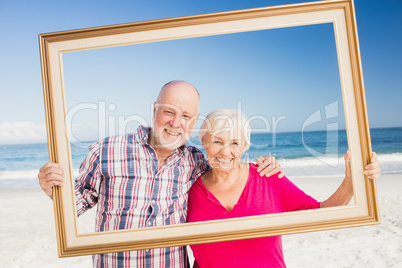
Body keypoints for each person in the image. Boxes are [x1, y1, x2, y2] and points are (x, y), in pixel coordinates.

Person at [37, 81, 284, 268]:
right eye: (169, 112)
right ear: (155, 109)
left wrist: (264, 166)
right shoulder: (107, 150)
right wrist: (54, 189)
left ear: (194, 120)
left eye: (186, 116)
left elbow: (228, 166)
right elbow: (79, 202)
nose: (176, 123)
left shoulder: (196, 161)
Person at [186, 109, 381, 268]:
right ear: (204, 141)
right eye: (217, 141)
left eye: (235, 143)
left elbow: (320, 213)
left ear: (245, 146)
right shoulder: (189, 189)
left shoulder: (267, 177)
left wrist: (351, 182)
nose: (225, 151)